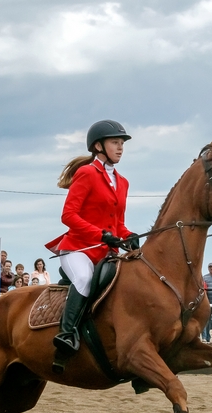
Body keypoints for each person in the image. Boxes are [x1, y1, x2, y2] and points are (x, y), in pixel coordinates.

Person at [45, 119, 138, 358]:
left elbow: (117, 222)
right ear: (98, 146)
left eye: (122, 143)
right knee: (84, 278)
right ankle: (66, 334)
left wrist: (128, 236)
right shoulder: (86, 173)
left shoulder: (123, 182)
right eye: (115, 143)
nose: (120, 148)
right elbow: (68, 215)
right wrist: (101, 235)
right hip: (77, 249)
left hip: (105, 253)